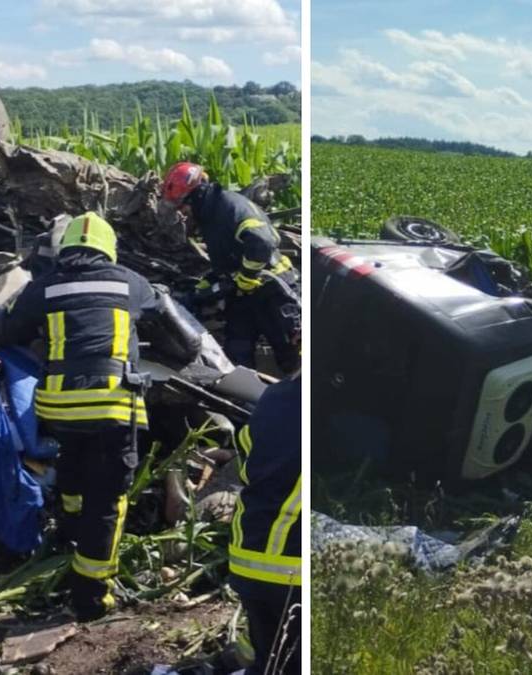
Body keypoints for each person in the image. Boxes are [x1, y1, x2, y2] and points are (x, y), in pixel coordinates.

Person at [0, 212, 155, 621]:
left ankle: (66, 542)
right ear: (108, 247)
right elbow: (160, 312)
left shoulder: (44, 288)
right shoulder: (132, 283)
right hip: (113, 407)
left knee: (74, 479)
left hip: (62, 409)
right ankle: (92, 599)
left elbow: (1, 331)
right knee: (108, 501)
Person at [160, 162, 300, 375]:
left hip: (273, 291)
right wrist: (204, 288)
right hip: (245, 295)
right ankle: (248, 405)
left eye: (183, 207)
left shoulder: (229, 206)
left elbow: (263, 241)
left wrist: (246, 276)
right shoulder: (211, 215)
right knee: (238, 361)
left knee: (294, 358)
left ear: (195, 197)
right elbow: (227, 261)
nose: (183, 214)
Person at [230, 376, 301, 674]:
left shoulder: (273, 396)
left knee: (269, 660)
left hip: (247, 558)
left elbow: (247, 447)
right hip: (291, 571)